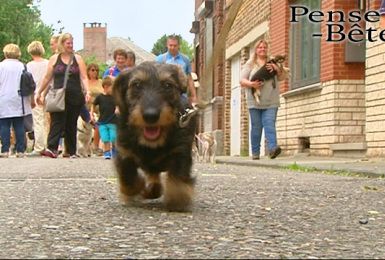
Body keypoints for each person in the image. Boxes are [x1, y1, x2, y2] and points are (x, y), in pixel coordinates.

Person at [36, 33, 90, 158]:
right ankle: (51, 148)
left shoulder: (78, 59)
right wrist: (39, 92)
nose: (70, 45)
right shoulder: (54, 59)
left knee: (71, 122)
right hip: (58, 95)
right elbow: (47, 77)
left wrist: (87, 91)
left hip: (75, 94)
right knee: (56, 121)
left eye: (71, 43)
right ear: (62, 44)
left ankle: (70, 151)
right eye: (68, 43)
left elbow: (84, 77)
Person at [240, 39, 286, 160]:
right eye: (260, 47)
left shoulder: (273, 62)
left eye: (264, 47)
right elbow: (242, 80)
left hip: (271, 99)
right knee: (256, 127)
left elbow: (282, 77)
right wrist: (251, 84)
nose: (262, 49)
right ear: (256, 49)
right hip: (255, 101)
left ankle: (273, 149)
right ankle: (255, 152)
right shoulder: (250, 64)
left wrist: (277, 69)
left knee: (269, 123)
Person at [0, 44, 34, 157]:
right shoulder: (22, 66)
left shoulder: (1, 66)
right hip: (19, 98)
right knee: (18, 125)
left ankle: (5, 150)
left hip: (3, 97)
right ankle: (20, 150)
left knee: (4, 124)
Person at [155, 35, 197, 105]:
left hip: (181, 96)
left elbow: (189, 79)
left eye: (175, 45)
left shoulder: (185, 59)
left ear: (178, 46)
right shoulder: (160, 59)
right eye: (170, 45)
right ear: (167, 45)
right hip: (164, 97)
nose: (172, 47)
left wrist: (194, 96)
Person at [26, 41, 49, 156]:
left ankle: (39, 146)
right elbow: (50, 80)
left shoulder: (29, 66)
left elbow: (29, 83)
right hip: (47, 94)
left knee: (38, 121)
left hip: (35, 94)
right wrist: (44, 94)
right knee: (47, 122)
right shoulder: (48, 63)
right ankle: (46, 145)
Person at [90, 76, 118, 160]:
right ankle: (107, 152)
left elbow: (118, 104)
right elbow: (93, 104)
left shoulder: (115, 97)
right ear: (106, 87)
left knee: (113, 137)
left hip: (113, 121)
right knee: (105, 138)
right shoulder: (100, 97)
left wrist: (117, 108)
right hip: (102, 121)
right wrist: (91, 113)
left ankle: (114, 151)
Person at [86, 63, 103, 155]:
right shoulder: (85, 82)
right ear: (88, 71)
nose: (94, 72)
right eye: (92, 70)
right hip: (87, 107)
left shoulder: (100, 82)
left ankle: (95, 145)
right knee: (85, 127)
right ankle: (86, 146)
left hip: (99, 108)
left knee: (98, 125)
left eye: (96, 70)